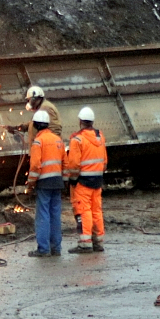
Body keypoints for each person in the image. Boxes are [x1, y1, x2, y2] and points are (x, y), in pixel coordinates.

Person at [65, 106, 107, 253]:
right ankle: (98, 241)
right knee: (96, 210)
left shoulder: (77, 139)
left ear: (80, 121)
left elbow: (74, 164)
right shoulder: (99, 136)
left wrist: (72, 180)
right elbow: (104, 161)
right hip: (97, 180)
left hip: (83, 181)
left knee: (83, 210)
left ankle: (85, 242)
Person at [25, 110, 66, 258]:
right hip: (57, 182)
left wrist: (30, 184)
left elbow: (35, 166)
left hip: (44, 183)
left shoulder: (38, 142)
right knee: (55, 215)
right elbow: (64, 162)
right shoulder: (57, 140)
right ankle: (56, 248)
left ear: (35, 126)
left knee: (43, 215)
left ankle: (43, 249)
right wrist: (65, 181)